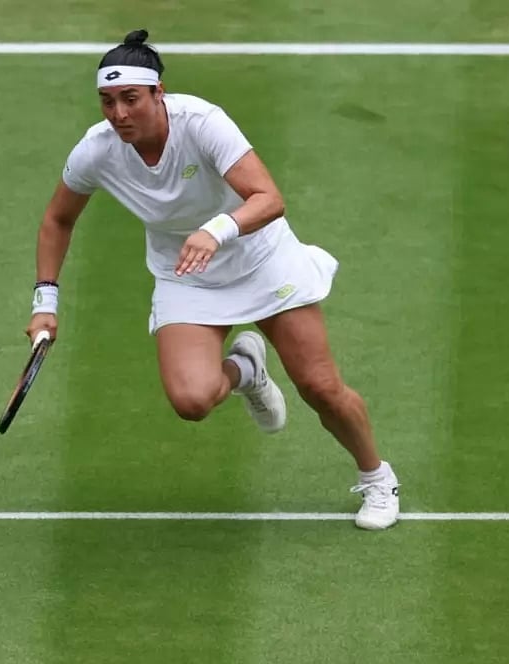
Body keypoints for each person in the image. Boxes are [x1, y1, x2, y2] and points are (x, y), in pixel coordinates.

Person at [25, 29, 400, 530]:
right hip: (188, 276)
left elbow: (268, 198)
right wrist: (44, 302)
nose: (118, 114)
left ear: (159, 94)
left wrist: (215, 231)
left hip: (262, 261)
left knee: (320, 386)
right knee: (192, 400)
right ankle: (247, 372)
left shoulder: (203, 123)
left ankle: (377, 478)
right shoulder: (96, 151)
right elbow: (57, 220)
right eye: (107, 101)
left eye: (130, 99)